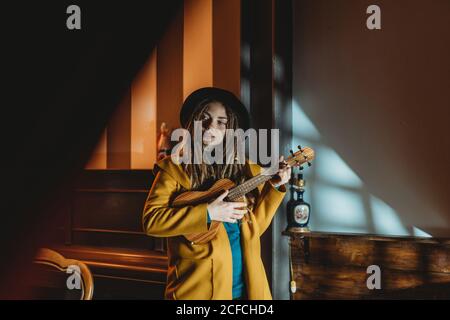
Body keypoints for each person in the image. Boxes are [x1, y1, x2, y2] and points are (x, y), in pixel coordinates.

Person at [142, 87, 290, 300]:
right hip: (198, 293)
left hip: (247, 290)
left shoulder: (247, 170)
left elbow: (253, 227)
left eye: (221, 121)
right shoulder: (173, 169)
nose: (211, 126)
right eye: (204, 118)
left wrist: (274, 187)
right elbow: (151, 221)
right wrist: (208, 213)